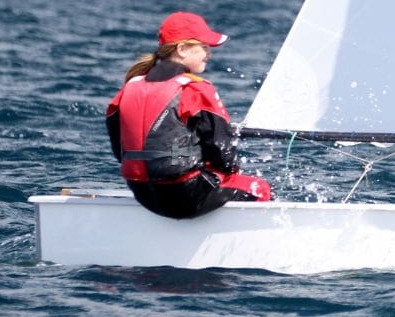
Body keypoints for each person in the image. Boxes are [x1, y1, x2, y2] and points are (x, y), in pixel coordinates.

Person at [106, 11, 272, 219]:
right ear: (182, 49)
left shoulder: (129, 87)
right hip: (186, 196)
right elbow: (223, 154)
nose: (208, 54)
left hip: (142, 192)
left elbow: (119, 150)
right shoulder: (196, 89)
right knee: (260, 188)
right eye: (203, 47)